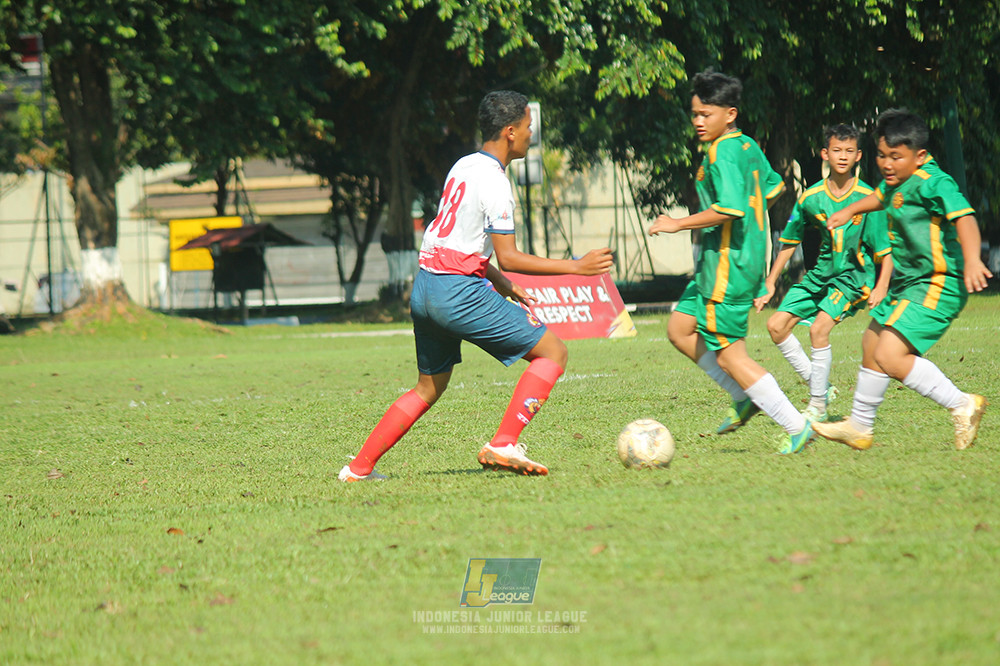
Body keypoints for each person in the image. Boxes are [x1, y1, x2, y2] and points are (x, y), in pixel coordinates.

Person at [339, 90, 614, 482]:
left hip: (426, 289)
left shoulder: (463, 166)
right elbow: (511, 257)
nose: (531, 134)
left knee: (427, 388)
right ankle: (504, 442)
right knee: (553, 352)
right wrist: (578, 266)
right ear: (510, 131)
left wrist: (501, 285)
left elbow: (462, 240)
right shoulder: (497, 184)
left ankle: (358, 468)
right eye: (528, 127)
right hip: (457, 294)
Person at [648, 70, 815, 454]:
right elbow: (773, 187)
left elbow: (730, 208)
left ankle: (797, 425)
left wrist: (679, 223)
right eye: (694, 113)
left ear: (730, 113)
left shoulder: (721, 152)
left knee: (730, 354)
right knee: (680, 328)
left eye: (706, 113)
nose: (698, 121)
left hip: (729, 267)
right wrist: (754, 235)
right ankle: (744, 397)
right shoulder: (746, 146)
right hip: (727, 260)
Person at [814, 109, 991, 450]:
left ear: (920, 156)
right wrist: (850, 210)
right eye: (882, 155)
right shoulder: (897, 181)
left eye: (896, 157)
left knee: (890, 356)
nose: (887, 164)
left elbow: (965, 217)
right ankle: (860, 427)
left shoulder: (934, 182)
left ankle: (961, 404)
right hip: (910, 284)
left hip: (939, 283)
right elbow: (880, 197)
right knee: (871, 343)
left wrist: (972, 259)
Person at [755, 124, 893, 423]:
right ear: (825, 154)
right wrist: (770, 280)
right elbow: (789, 242)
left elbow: (885, 251)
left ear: (858, 156)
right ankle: (821, 386)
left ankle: (817, 406)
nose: (842, 157)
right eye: (836, 150)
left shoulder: (869, 198)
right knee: (777, 326)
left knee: (818, 329)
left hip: (855, 277)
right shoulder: (810, 197)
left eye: (848, 151)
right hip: (821, 275)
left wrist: (881, 286)